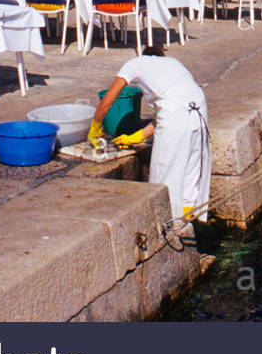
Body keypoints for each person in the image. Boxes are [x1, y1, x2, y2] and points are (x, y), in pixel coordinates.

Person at [89, 45, 211, 223]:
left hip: (178, 114)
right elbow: (173, 109)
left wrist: (95, 125)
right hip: (199, 109)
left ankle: (165, 223)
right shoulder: (172, 62)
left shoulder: (135, 63)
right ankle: (188, 220)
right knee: (191, 170)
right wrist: (138, 136)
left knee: (164, 171)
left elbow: (107, 100)